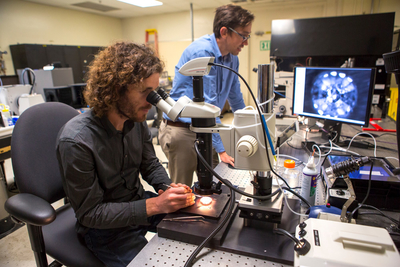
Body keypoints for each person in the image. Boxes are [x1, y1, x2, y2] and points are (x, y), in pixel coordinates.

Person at [56, 42, 195, 267]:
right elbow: (91, 214)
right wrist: (157, 205)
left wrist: (169, 188)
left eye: (155, 93)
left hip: (137, 204)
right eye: (145, 93)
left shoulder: (136, 120)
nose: (152, 103)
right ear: (115, 90)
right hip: (105, 230)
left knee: (198, 223)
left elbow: (149, 164)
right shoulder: (76, 140)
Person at [159, 4, 254, 186]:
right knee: (182, 190)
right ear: (224, 31)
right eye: (243, 35)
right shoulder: (202, 52)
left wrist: (250, 128)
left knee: (214, 184)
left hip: (206, 128)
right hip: (182, 131)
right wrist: (221, 149)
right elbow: (207, 105)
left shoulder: (232, 58)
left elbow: (235, 97)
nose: (246, 42)